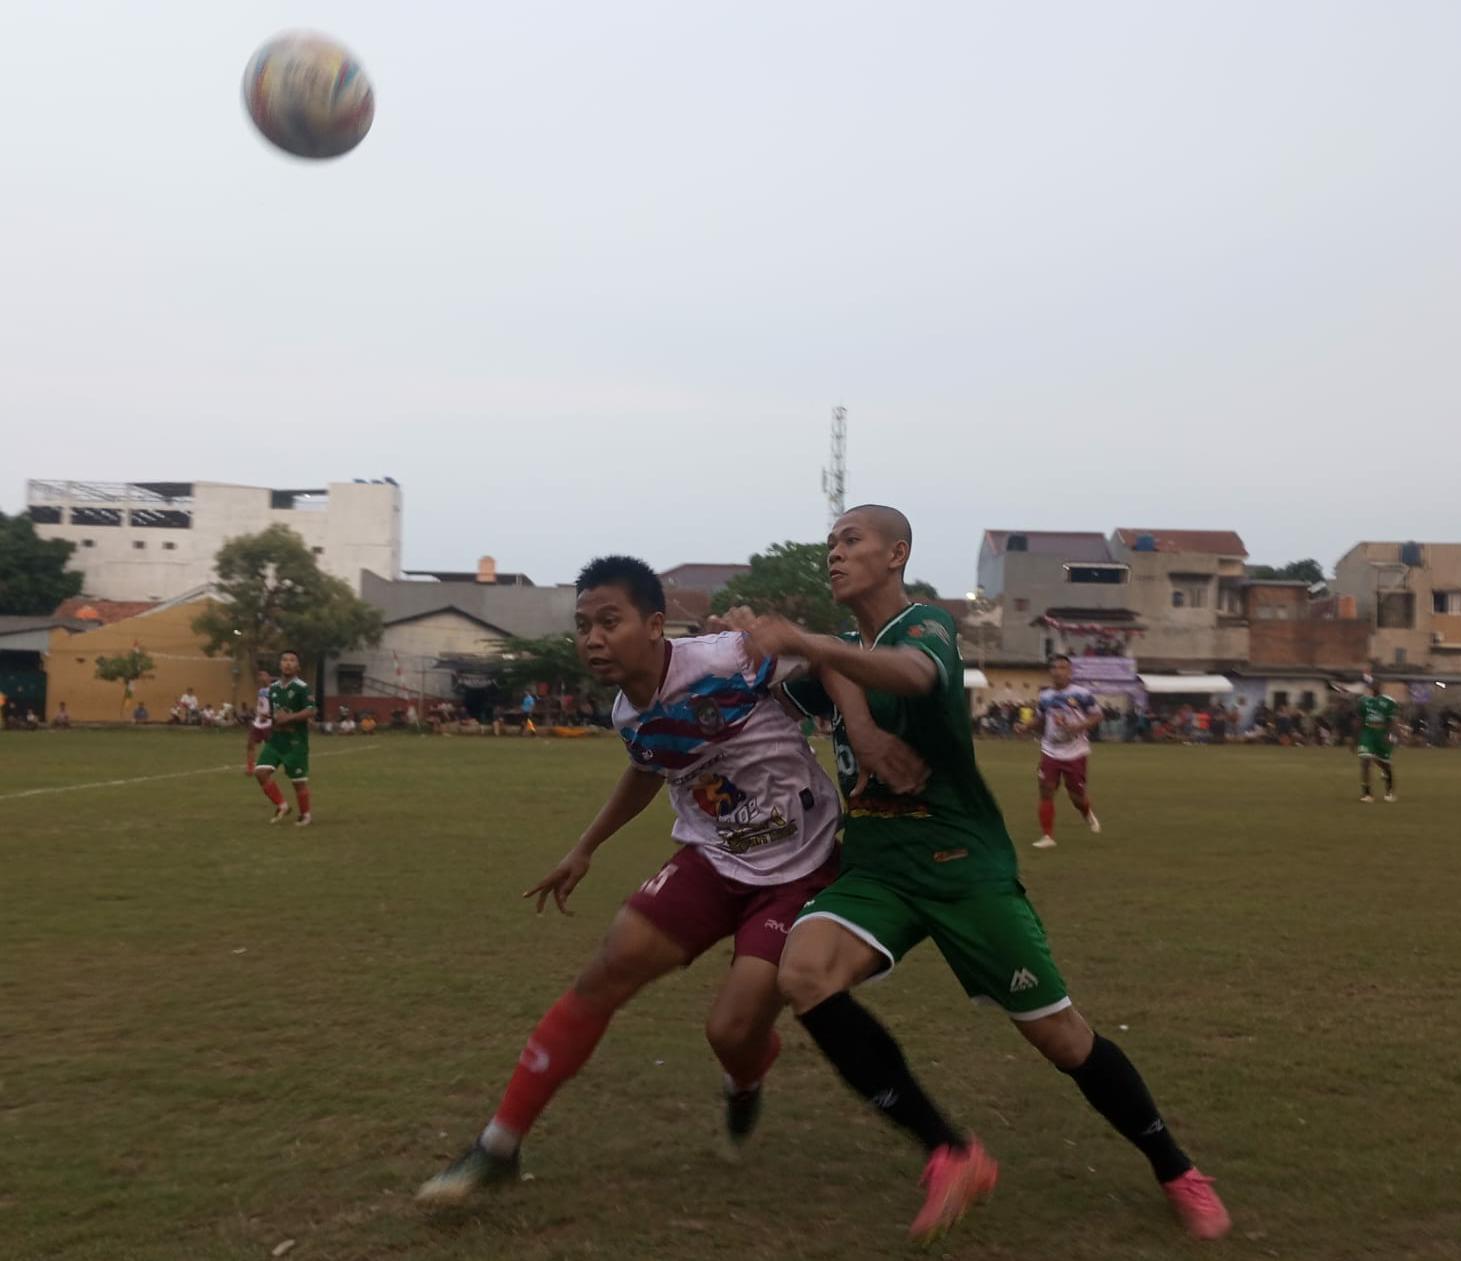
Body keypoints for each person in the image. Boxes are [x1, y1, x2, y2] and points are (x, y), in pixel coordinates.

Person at [747, 504, 1230, 1243]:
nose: (834, 555)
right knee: (803, 974)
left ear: (896, 554)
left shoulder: (927, 626)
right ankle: (951, 1151)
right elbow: (781, 689)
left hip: (963, 868)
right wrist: (741, 640)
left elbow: (910, 676)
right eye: (831, 544)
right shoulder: (841, 649)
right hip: (877, 869)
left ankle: (1175, 1166)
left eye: (851, 541)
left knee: (1064, 1039)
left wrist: (812, 648)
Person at [415, 556, 924, 1206]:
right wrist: (585, 847)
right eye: (582, 625)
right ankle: (498, 1145)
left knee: (731, 1032)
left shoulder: (726, 658)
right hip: (711, 860)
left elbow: (825, 658)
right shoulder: (629, 714)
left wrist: (863, 729)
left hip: (801, 866)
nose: (593, 638)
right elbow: (648, 766)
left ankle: (745, 1078)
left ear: (655, 624)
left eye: (609, 620)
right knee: (607, 969)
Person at [1029, 655, 1103, 849]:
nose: (1058, 671)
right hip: (1051, 750)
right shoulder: (1045, 696)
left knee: (1076, 796)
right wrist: (1026, 726)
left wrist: (1080, 726)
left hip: (1075, 752)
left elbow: (1097, 715)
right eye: (1054, 667)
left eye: (1062, 668)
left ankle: (1086, 813)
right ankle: (1047, 836)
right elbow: (1040, 719)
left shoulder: (1082, 694)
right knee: (1046, 790)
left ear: (1070, 672)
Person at [252, 652, 315, 826]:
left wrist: (290, 718)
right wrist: (270, 717)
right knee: (261, 772)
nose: (288, 663)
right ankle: (282, 805)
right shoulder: (273, 689)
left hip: (296, 742)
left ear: (298, 667)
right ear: (280, 665)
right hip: (276, 740)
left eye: (292, 660)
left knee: (298, 783)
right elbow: (276, 714)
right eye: (284, 660)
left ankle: (305, 815)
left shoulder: (302, 687)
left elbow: (310, 710)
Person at [1356, 676, 1400, 803]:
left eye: (1377, 685)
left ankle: (1389, 790)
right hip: (1368, 733)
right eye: (1373, 685)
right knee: (1365, 761)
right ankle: (1367, 793)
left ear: (1380, 687)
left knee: (1385, 765)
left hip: (1381, 733)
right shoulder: (1364, 701)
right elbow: (1359, 721)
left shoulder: (1388, 702)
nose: (1374, 687)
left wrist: (1391, 735)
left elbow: (1392, 721)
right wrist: (1354, 738)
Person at [246, 670, 273, 775]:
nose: (261, 678)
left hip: (268, 723)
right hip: (258, 722)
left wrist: (267, 716)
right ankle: (250, 767)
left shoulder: (273, 690)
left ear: (268, 678)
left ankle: (272, 765)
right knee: (250, 743)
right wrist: (257, 713)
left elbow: (276, 707)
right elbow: (261, 705)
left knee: (271, 747)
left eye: (264, 675)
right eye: (260, 676)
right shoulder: (261, 690)